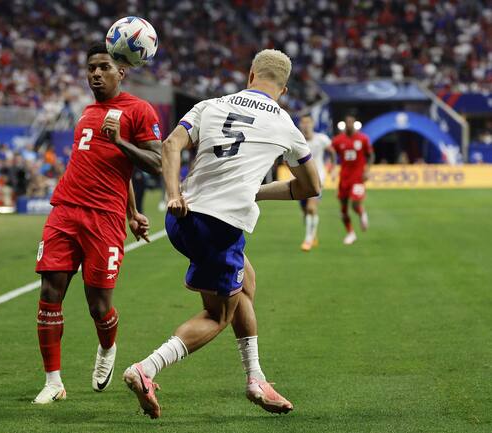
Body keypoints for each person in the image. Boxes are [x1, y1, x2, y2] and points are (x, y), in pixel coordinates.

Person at [122, 49, 321, 418]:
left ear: (250, 76)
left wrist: (173, 194)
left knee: (245, 281)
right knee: (218, 316)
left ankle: (256, 377)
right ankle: (146, 369)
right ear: (285, 89)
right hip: (219, 226)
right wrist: (257, 191)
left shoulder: (209, 105)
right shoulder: (285, 124)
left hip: (181, 218)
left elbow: (170, 145)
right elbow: (310, 187)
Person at [32, 42, 163, 404]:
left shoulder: (139, 110)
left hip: (103, 219)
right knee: (49, 293)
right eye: (91, 68)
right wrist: (134, 211)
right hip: (65, 209)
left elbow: (156, 162)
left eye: (103, 67)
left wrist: (120, 141)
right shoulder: (86, 113)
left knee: (98, 305)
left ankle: (107, 347)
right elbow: (106, 169)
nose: (95, 74)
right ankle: (53, 381)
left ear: (122, 70)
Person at [331, 114, 373, 245]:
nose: (349, 125)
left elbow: (371, 155)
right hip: (344, 178)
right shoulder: (338, 140)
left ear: (354, 124)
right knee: (343, 209)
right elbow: (332, 153)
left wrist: (367, 171)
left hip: (358, 178)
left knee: (355, 203)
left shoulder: (363, 139)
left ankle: (362, 213)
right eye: (347, 122)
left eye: (351, 122)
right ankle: (351, 233)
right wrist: (332, 168)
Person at [298, 114, 334, 251]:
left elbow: (332, 152)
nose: (306, 125)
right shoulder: (297, 140)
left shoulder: (322, 139)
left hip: (318, 178)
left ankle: (308, 240)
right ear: (300, 125)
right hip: (300, 179)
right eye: (303, 122)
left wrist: (333, 168)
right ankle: (313, 235)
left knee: (311, 208)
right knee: (305, 211)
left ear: (312, 124)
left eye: (308, 122)